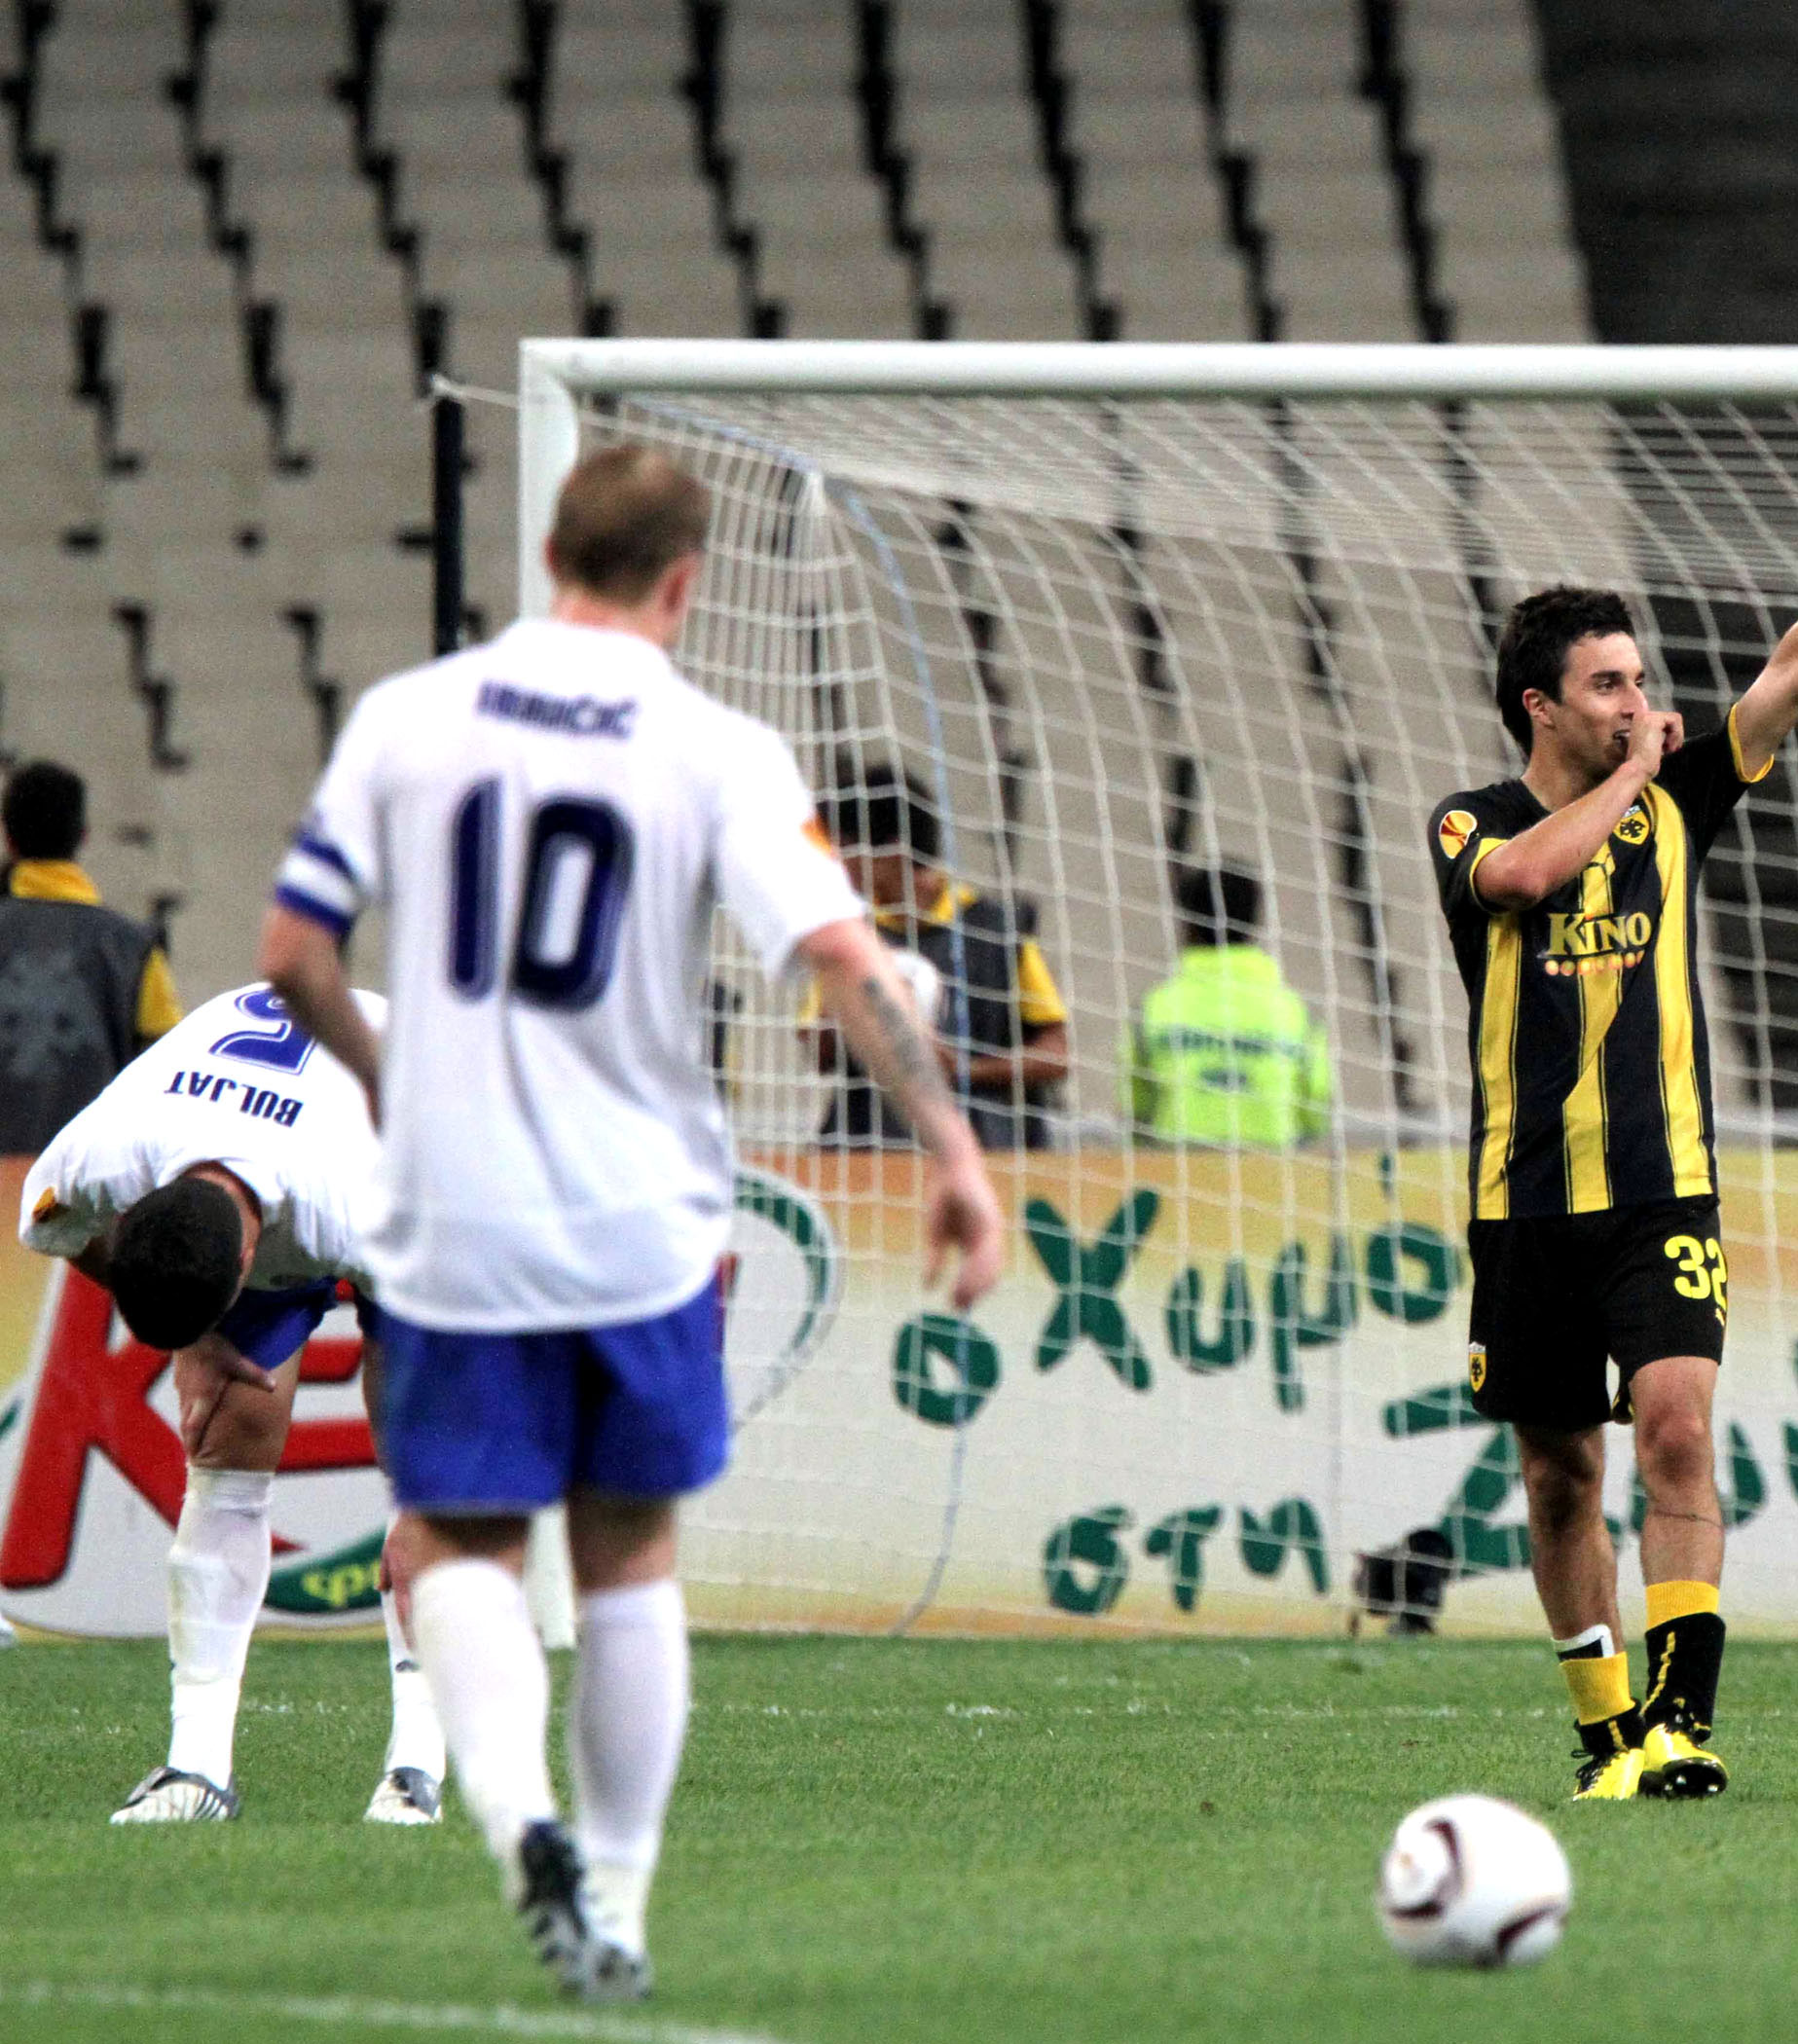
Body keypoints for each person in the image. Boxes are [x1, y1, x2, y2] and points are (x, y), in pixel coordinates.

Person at [260, 444, 1006, 2002]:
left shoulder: (409, 716)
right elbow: (844, 962)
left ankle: (512, 1818)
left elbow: (293, 955)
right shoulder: (713, 747)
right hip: (637, 1219)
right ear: (685, 582)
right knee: (628, 1559)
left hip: (457, 1215)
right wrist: (951, 1146)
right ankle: (612, 1897)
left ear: (548, 551)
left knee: (464, 1540)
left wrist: (392, 1079)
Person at [1426, 453, 1798, 1801]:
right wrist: (1633, 777)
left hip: (1661, 1191)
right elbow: (1527, 879)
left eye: (1639, 681)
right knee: (1560, 1477)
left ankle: (1680, 1726)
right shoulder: (1471, 821)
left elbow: (1795, 671)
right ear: (1541, 705)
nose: (1637, 702)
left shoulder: (1681, 794)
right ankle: (1606, 1735)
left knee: (1673, 1428)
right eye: (1608, 686)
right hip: (1523, 1202)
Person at [18, 981, 447, 1825]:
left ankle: (415, 1767)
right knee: (227, 1427)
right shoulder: (104, 1153)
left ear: (250, 1259)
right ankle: (197, 1771)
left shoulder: (362, 1210)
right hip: (264, 1133)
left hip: (418, 1139)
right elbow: (53, 1224)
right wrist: (201, 1342)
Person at [812, 762, 1070, 1150]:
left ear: (892, 850)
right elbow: (821, 1056)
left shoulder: (998, 929)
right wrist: (844, 1003)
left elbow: (1056, 1055)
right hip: (869, 1152)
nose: (833, 862)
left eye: (843, 848)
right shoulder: (849, 933)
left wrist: (964, 1069)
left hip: (984, 1148)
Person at [0, 759, 182, 1155]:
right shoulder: (134, 948)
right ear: (82, 836)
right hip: (85, 1178)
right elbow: (171, 1073)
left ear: (8, 838)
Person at [1128, 866, 1331, 1146]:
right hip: (1272, 1166)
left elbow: (1135, 1108)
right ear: (1254, 923)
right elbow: (1316, 1111)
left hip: (1177, 1164)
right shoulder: (1294, 1012)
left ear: (1188, 924)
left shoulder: (1154, 1008)